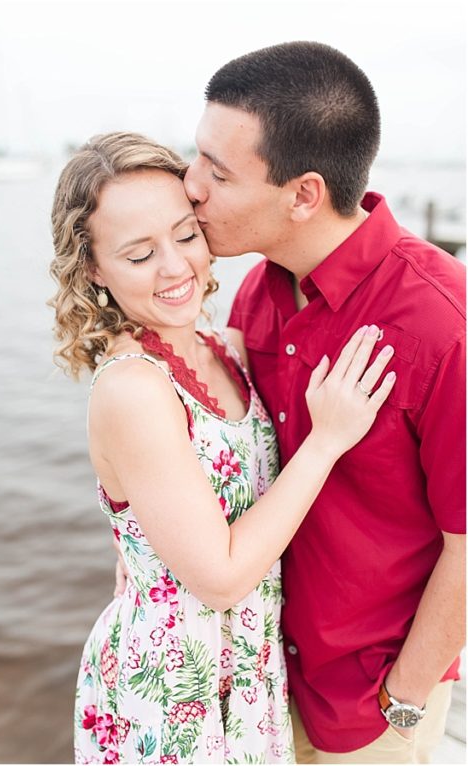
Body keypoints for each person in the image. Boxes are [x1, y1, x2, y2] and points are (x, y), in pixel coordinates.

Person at [51, 132, 395, 764]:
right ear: (94, 270)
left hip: (247, 676)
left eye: (185, 235)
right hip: (174, 691)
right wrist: (326, 443)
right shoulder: (133, 388)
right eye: (138, 255)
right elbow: (222, 577)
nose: (176, 267)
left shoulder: (223, 349)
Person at [180, 41, 466, 763]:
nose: (190, 187)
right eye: (196, 159)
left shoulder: (440, 324)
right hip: (253, 682)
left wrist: (402, 698)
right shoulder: (258, 289)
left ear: (303, 194)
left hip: (367, 701)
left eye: (217, 173)